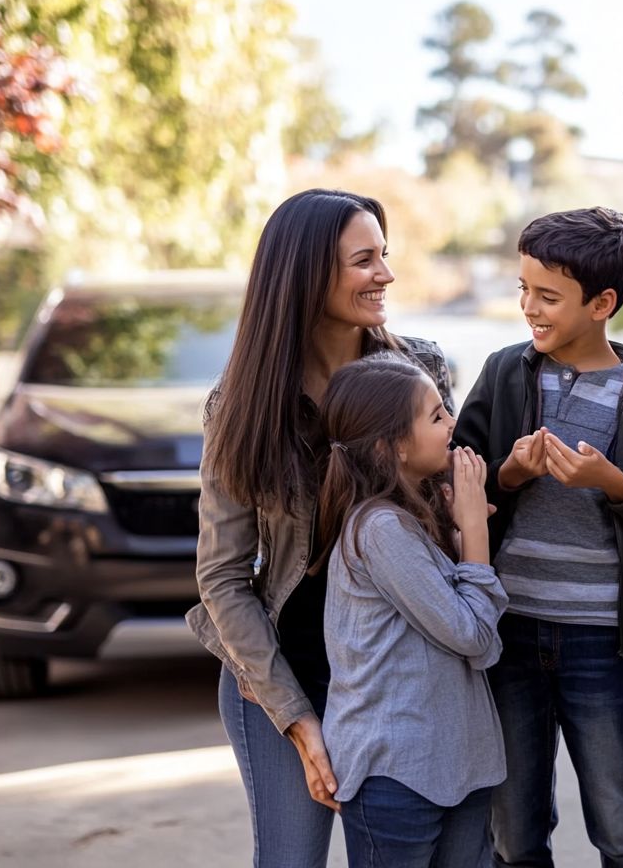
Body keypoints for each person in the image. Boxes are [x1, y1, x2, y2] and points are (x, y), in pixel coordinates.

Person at [185, 189, 452, 868]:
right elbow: (221, 574)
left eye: (384, 256)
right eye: (365, 260)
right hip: (284, 677)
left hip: (399, 678)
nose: (386, 275)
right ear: (308, 275)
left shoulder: (422, 372)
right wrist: (298, 720)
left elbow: (454, 514)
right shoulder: (242, 407)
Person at [453, 207, 623, 867]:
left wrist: (613, 481)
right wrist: (509, 471)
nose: (530, 307)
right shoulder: (506, 374)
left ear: (603, 303)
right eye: (524, 290)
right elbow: (453, 483)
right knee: (514, 833)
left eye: (549, 297)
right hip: (508, 637)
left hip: (599, 643)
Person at [316, 354, 507, 867]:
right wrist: (475, 534)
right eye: (436, 416)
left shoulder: (411, 520)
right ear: (393, 446)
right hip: (400, 775)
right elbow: (473, 637)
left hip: (459, 765)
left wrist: (456, 528)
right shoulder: (380, 529)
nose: (452, 424)